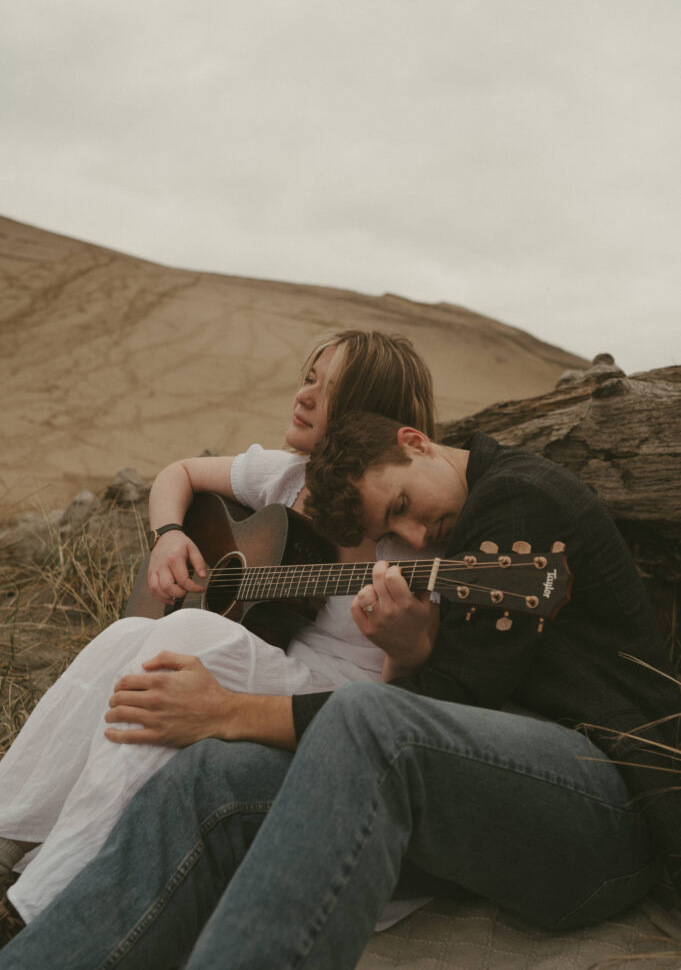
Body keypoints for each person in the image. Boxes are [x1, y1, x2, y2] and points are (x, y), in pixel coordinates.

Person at [2, 410, 678, 969]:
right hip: (490, 796)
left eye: (405, 506)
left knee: (363, 718)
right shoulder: (465, 521)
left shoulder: (518, 499)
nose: (415, 535)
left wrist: (229, 709)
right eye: (394, 530)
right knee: (211, 775)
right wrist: (407, 653)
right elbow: (445, 730)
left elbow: (428, 718)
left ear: (416, 442)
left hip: (607, 803)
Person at [0, 331, 440, 937]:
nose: (303, 395)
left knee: (186, 642)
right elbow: (177, 472)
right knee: (129, 632)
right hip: (264, 664)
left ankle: (44, 900)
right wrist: (169, 534)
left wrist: (401, 648)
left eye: (325, 388)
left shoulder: (415, 532)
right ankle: (7, 833)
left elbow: (397, 698)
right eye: (306, 376)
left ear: (365, 416)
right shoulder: (289, 478)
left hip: (327, 705)